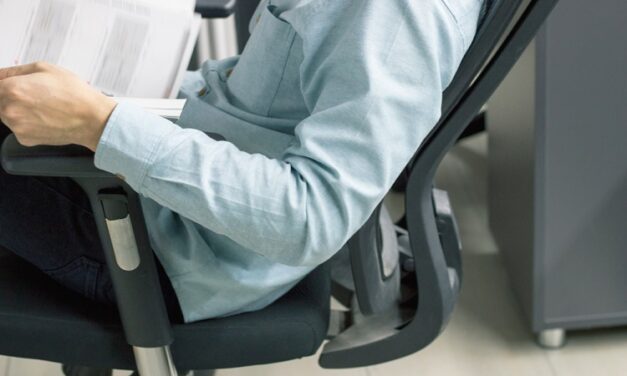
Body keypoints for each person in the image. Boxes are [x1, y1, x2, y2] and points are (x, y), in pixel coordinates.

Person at [0, 0, 485, 323]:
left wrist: (99, 123)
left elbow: (310, 218)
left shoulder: (395, 15)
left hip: (167, 244)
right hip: (179, 154)